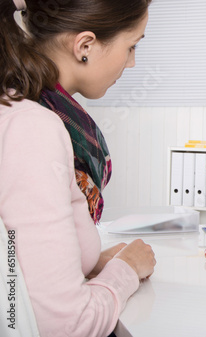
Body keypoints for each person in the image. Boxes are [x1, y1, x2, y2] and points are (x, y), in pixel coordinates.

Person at [0, 1, 155, 336]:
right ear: (85, 46)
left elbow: (11, 258)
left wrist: (86, 261)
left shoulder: (18, 107)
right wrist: (126, 270)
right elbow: (66, 326)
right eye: (131, 47)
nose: (131, 62)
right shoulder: (31, 127)